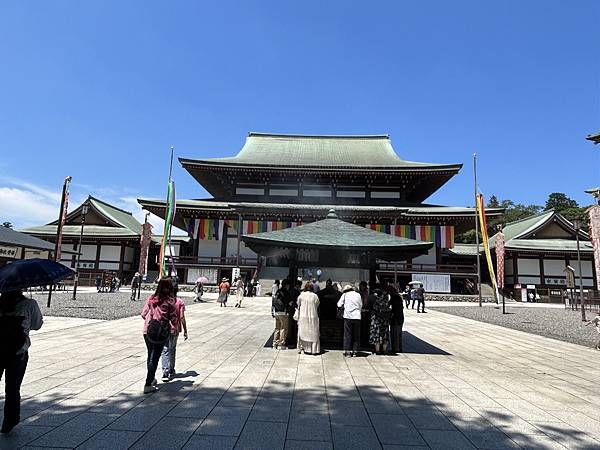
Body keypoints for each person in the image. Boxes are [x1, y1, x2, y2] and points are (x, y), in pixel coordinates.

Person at [0, 290, 43, 434]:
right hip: (18, 351)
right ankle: (9, 421)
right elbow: (37, 325)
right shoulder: (30, 304)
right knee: (12, 387)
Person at [141, 278, 178, 393]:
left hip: (148, 330)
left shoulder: (151, 298)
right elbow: (174, 319)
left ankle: (151, 380)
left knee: (150, 355)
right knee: (155, 357)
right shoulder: (169, 301)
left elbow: (143, 314)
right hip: (160, 332)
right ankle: (148, 383)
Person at [161, 285, 188, 381]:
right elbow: (181, 317)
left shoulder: (164, 301)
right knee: (172, 349)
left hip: (164, 328)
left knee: (165, 349)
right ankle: (171, 369)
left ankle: (165, 371)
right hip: (175, 329)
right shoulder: (179, 302)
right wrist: (185, 330)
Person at [295, 281, 321, 354]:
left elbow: (298, 304)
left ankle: (302, 348)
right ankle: (313, 350)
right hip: (313, 316)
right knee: (313, 333)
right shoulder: (315, 296)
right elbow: (317, 305)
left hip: (303, 316)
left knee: (303, 332)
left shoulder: (301, 295)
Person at [338, 284, 362, 357]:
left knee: (347, 334)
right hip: (357, 316)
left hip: (348, 316)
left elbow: (339, 304)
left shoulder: (345, 294)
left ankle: (347, 352)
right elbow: (361, 305)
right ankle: (355, 351)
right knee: (356, 335)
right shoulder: (358, 295)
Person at [369, 286, 391, 355]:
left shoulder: (377, 301)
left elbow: (374, 310)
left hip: (377, 321)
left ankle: (377, 350)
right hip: (385, 321)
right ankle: (384, 350)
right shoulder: (386, 302)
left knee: (376, 335)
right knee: (385, 335)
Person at [272, 279, 292, 350]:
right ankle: (281, 344)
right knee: (283, 328)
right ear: (287, 285)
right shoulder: (286, 292)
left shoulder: (278, 291)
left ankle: (275, 344)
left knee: (277, 328)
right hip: (284, 312)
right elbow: (290, 303)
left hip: (277, 312)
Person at [388, 285, 404, 353]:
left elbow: (395, 309)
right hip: (399, 318)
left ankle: (396, 349)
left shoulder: (395, 297)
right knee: (398, 334)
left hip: (396, 318)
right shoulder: (397, 296)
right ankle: (398, 348)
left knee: (395, 334)